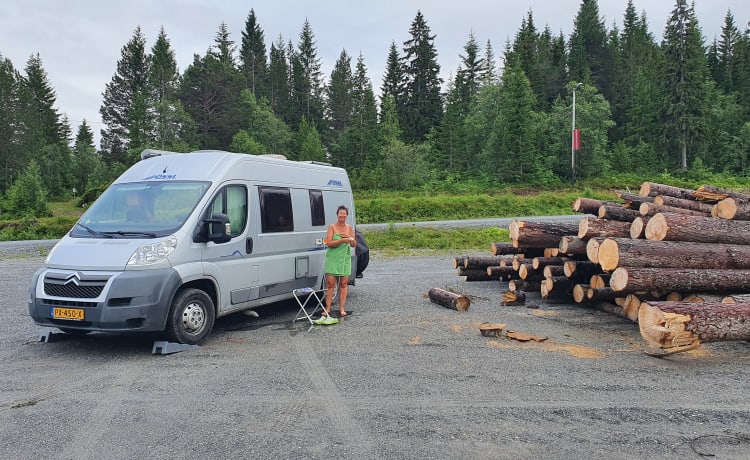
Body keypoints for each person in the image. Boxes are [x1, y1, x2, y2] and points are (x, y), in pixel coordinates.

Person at [323, 205, 356, 317]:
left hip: (344, 258)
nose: (342, 215)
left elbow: (353, 244)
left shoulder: (349, 228)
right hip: (333, 257)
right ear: (337, 215)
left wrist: (348, 238)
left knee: (343, 283)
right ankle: (327, 308)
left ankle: (342, 308)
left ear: (346, 215)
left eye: (344, 213)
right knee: (330, 283)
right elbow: (329, 243)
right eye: (340, 213)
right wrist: (342, 240)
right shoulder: (332, 227)